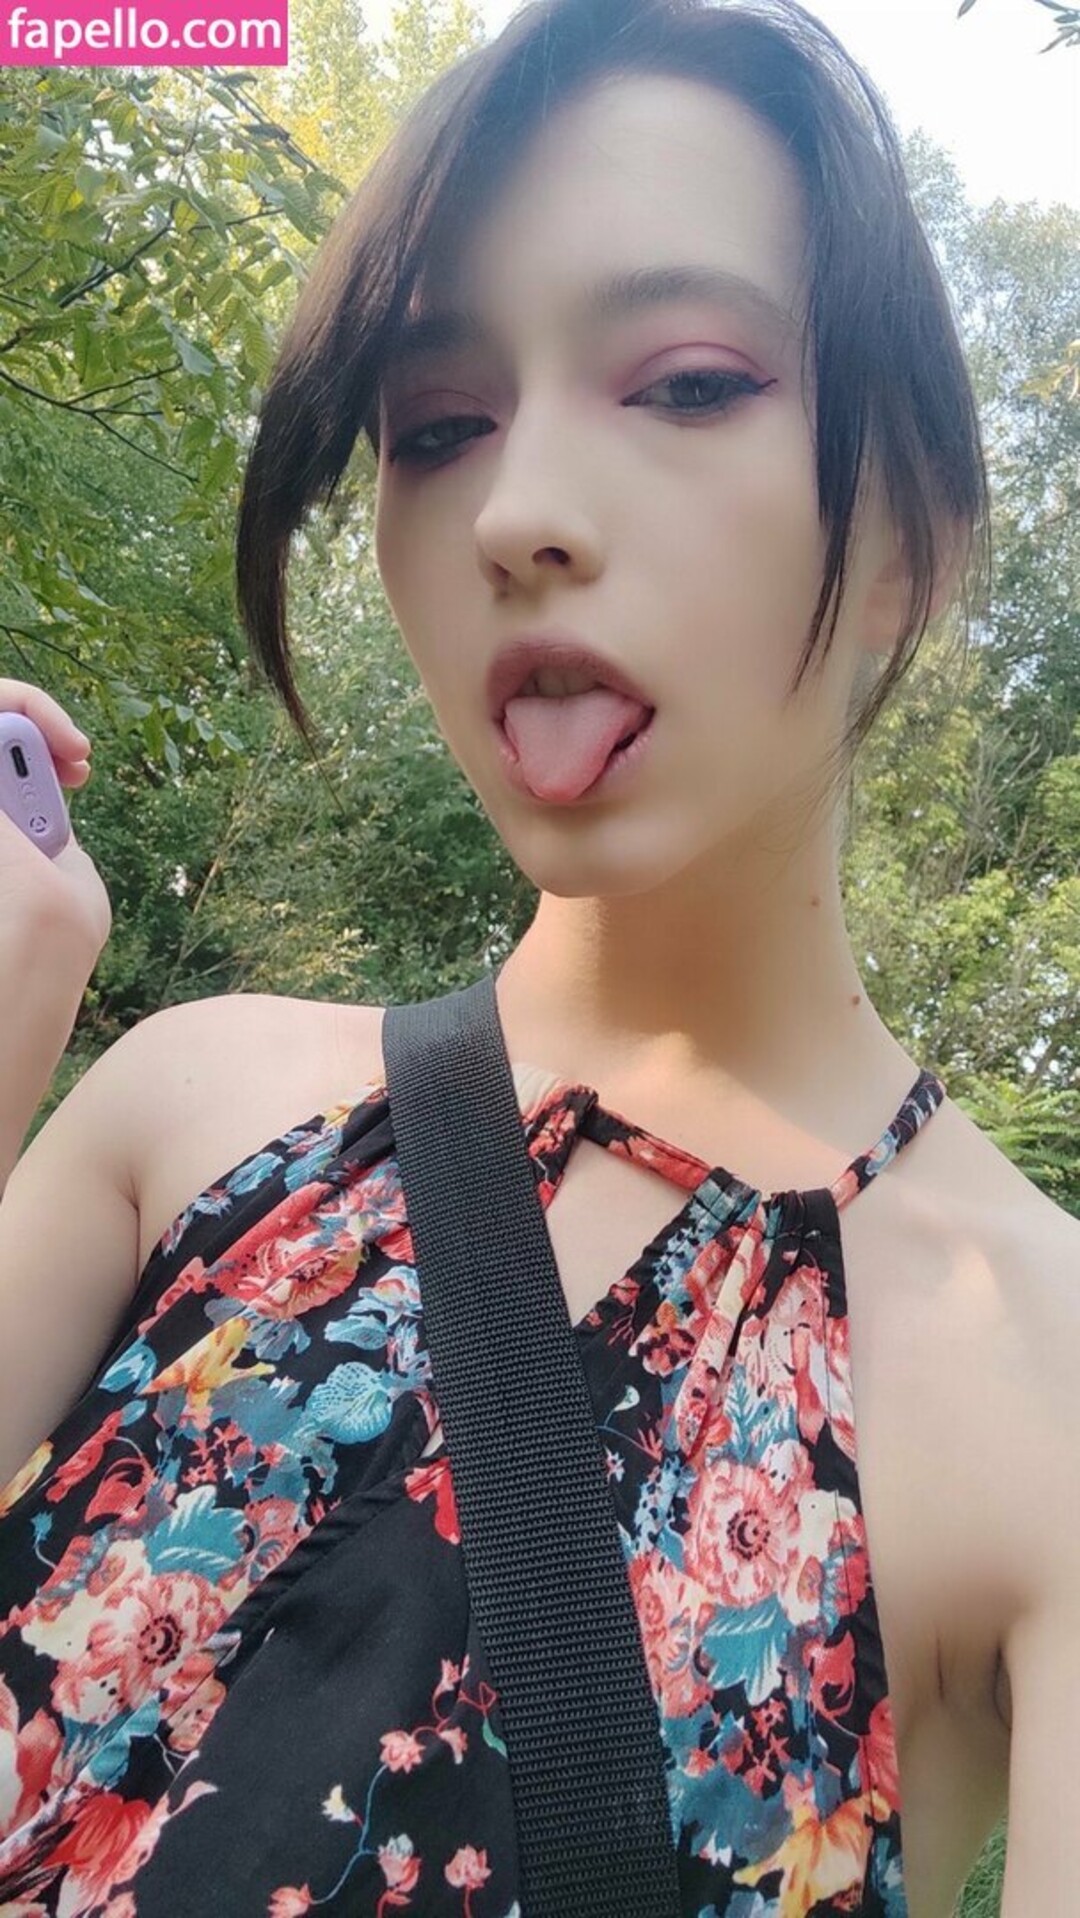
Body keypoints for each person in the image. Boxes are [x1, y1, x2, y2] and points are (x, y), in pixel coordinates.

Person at [0, 0, 1076, 1910]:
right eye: (438, 428)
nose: (514, 516)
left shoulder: (1039, 1378)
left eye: (686, 383)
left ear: (914, 531)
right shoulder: (188, 1106)